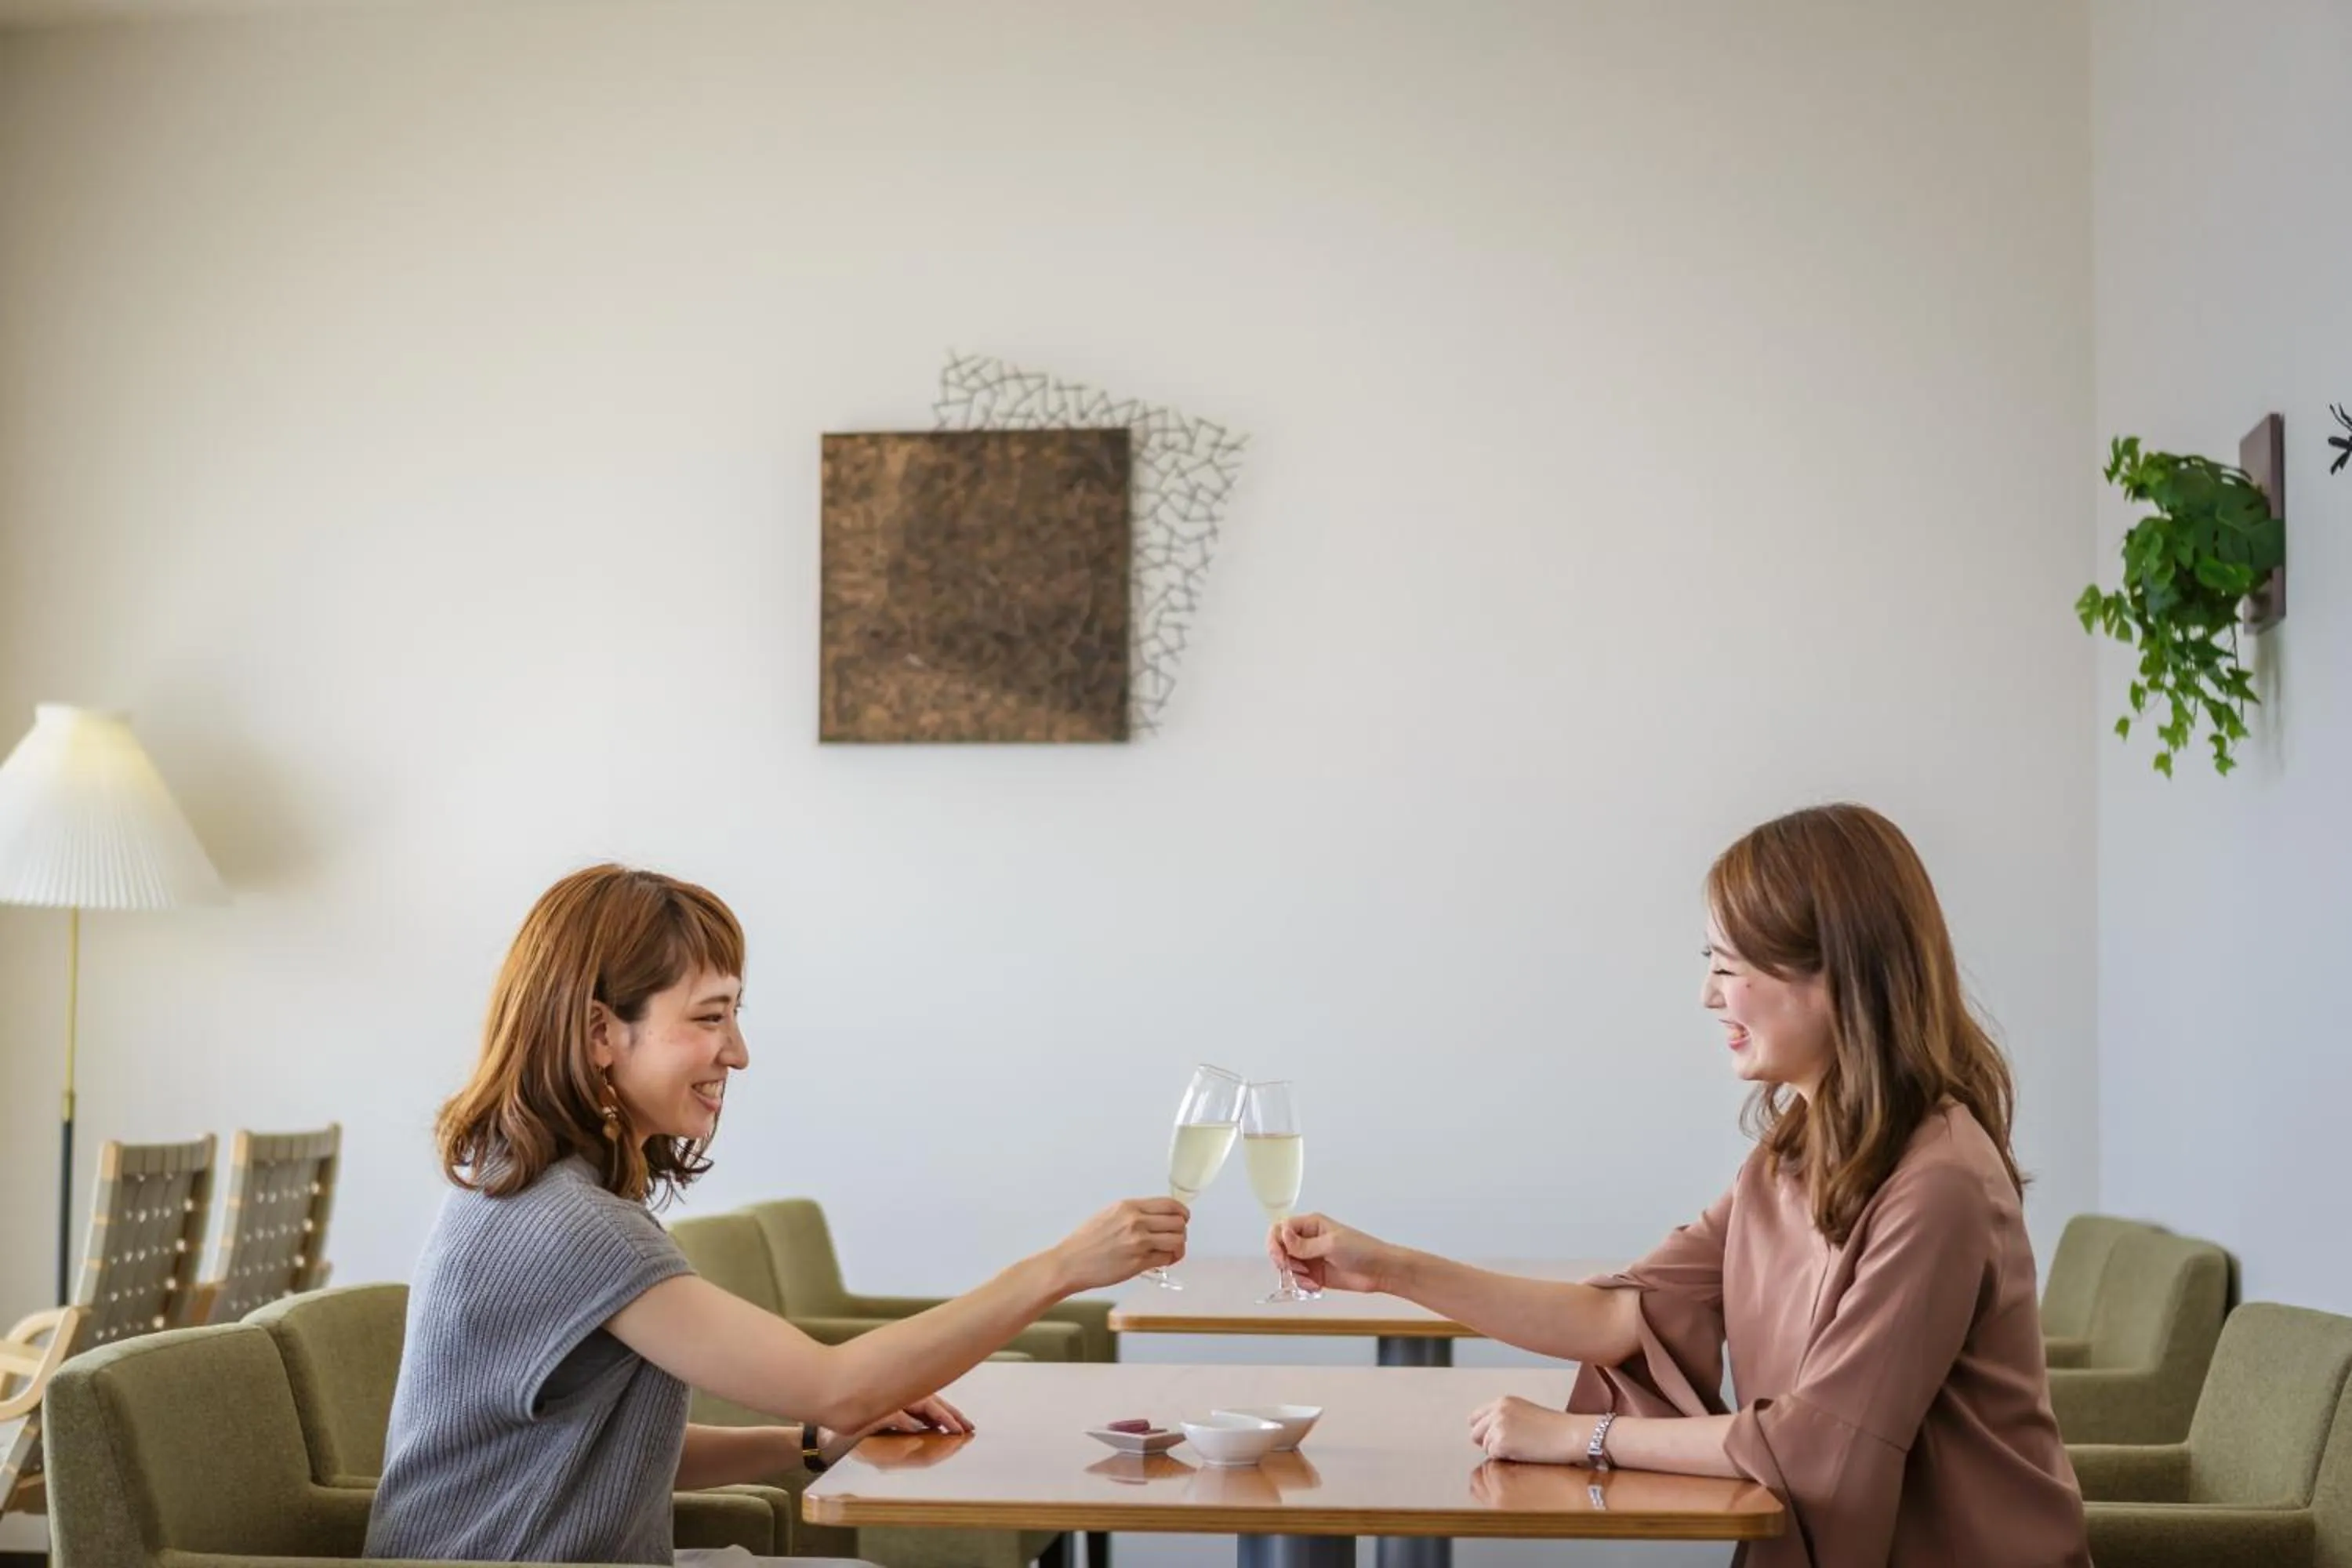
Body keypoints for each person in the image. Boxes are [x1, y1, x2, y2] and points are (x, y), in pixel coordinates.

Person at [1272, 804, 2089, 1567]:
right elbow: (1618, 1315)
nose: (1708, 995)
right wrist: (1387, 1268)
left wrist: (1582, 1436)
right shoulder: (1793, 1155)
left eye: (1728, 966)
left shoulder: (1939, 1185)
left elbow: (1817, 1440)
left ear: (1836, 974)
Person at [367, 864, 1187, 1565]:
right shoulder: (570, 1225)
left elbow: (596, 1450)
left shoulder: (525, 1191)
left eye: (736, 1014)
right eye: (708, 1016)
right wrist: (1059, 1269)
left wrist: (803, 1444)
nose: (738, 1051)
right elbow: (840, 1386)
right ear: (598, 1032)